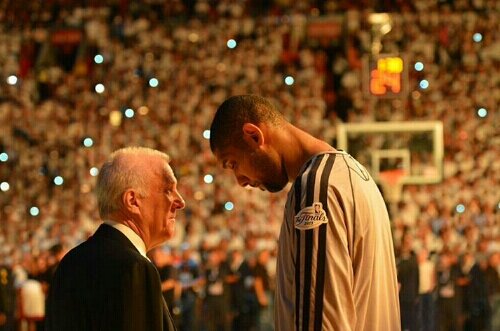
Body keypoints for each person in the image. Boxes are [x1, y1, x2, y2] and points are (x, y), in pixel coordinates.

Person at [209, 95, 400, 331]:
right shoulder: (355, 175)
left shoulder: (317, 188)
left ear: (254, 136)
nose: (240, 181)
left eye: (233, 163)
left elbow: (322, 322)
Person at [45, 147, 185, 331]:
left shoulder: (69, 262)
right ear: (133, 201)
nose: (180, 201)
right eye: (168, 190)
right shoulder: (134, 268)